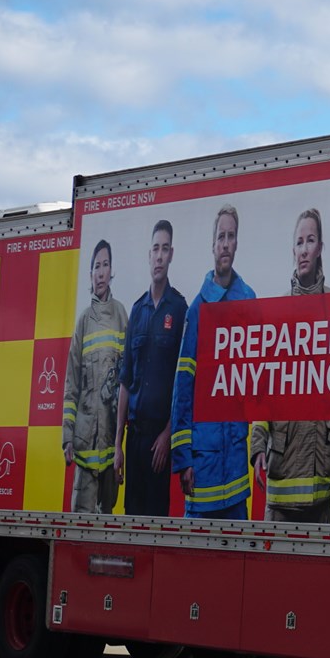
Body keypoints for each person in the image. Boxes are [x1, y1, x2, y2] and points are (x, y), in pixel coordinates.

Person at [249, 210, 330, 523]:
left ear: (320, 247)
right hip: (282, 480)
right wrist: (257, 447)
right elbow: (263, 389)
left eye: (310, 241)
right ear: (293, 250)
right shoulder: (279, 312)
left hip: (323, 478)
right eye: (299, 242)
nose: (304, 249)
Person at [170, 204, 257, 519]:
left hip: (235, 461)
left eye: (231, 236)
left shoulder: (249, 301)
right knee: (197, 547)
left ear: (237, 243)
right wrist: (184, 459)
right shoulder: (199, 309)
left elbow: (257, 378)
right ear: (213, 244)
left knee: (238, 549)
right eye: (221, 236)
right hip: (203, 464)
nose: (225, 243)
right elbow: (183, 387)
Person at [115, 219, 187, 517]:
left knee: (156, 526)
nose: (159, 256)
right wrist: (118, 446)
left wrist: (168, 434)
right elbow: (125, 381)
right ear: (149, 255)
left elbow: (183, 384)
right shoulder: (137, 310)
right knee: (131, 521)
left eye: (165, 249)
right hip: (134, 439)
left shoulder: (179, 309)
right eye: (155, 249)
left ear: (171, 255)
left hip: (160, 443)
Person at [61, 239, 125, 513]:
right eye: (96, 266)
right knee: (80, 524)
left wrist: (121, 448)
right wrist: (67, 436)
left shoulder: (121, 316)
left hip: (111, 448)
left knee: (107, 524)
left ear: (111, 271)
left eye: (105, 265)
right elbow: (71, 385)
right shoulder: (84, 321)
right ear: (90, 274)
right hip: (85, 448)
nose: (101, 272)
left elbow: (127, 382)